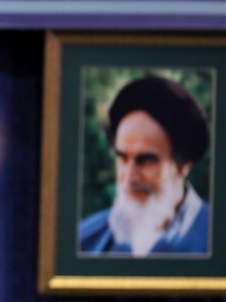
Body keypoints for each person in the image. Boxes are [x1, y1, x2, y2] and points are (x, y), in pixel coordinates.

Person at [78, 75, 210, 256]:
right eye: (123, 158)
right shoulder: (85, 241)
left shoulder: (223, 238)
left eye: (146, 160)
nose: (129, 176)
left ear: (184, 164)